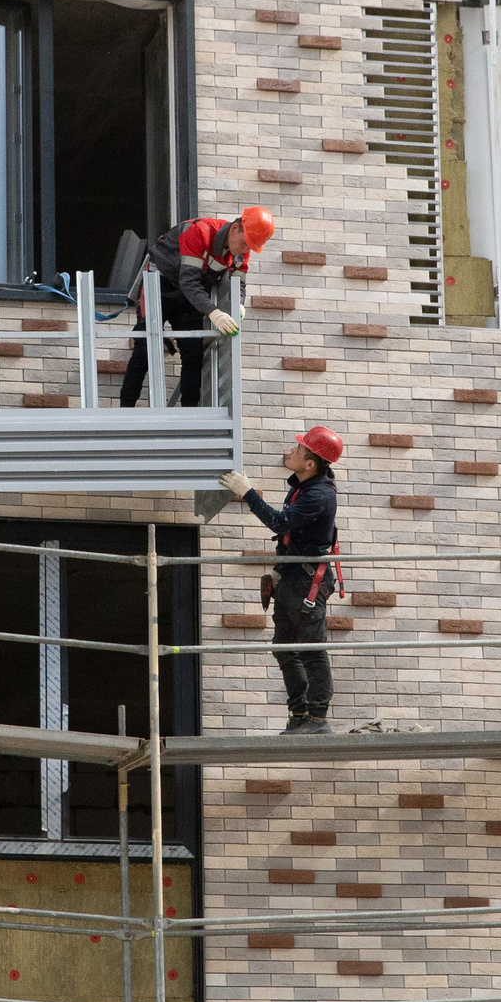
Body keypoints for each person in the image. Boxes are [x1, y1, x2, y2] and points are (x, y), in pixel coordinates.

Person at [220, 427, 344, 734]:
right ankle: (299, 714)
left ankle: (317, 719)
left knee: (312, 650)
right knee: (284, 648)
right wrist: (277, 568)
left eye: (299, 450)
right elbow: (288, 535)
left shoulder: (319, 495)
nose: (291, 451)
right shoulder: (301, 487)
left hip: (307, 581)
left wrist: (248, 492)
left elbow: (280, 522)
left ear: (310, 464)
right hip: (291, 576)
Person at [118, 207, 274, 408]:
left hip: (191, 294)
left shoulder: (242, 253)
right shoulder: (199, 232)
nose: (245, 250)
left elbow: (239, 284)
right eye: (245, 243)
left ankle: (190, 411)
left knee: (193, 353)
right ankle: (126, 408)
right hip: (159, 284)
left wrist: (239, 304)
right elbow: (189, 281)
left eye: (251, 247)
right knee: (144, 346)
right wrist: (214, 312)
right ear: (235, 228)